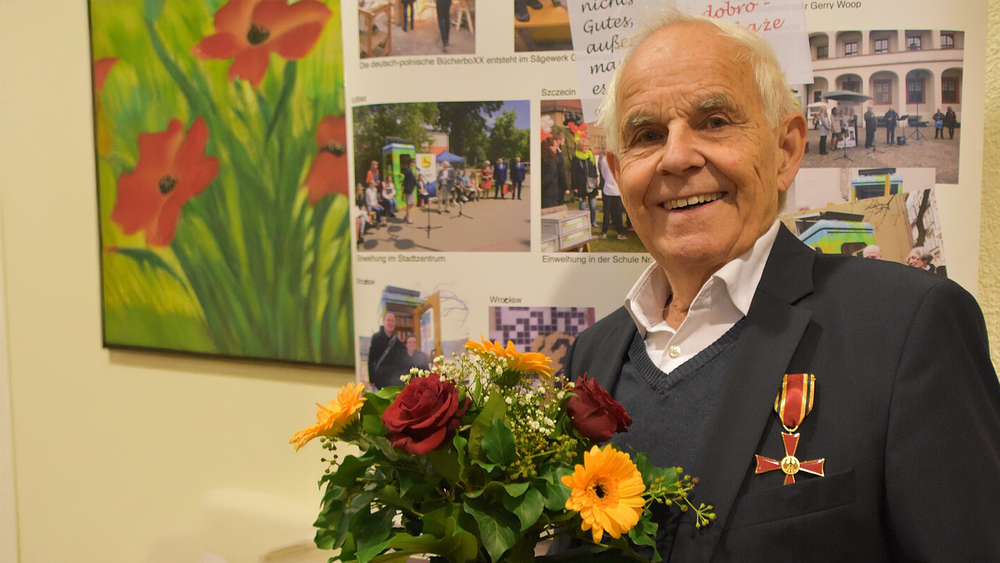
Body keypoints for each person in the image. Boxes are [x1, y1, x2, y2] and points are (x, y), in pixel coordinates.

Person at [564, 8, 1000, 560]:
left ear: (786, 150)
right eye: (647, 135)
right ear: (618, 172)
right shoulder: (592, 355)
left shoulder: (908, 328)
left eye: (715, 121)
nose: (675, 157)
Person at [368, 312, 405, 389]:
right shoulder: (376, 338)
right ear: (384, 322)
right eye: (388, 320)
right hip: (380, 380)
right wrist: (371, 379)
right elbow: (371, 360)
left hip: (394, 381)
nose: (390, 323)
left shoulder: (397, 341)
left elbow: (401, 361)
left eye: (392, 321)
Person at [571, 137, 599, 227]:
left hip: (591, 183)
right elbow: (574, 173)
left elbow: (594, 169)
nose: (585, 147)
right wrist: (574, 186)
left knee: (593, 204)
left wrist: (596, 180)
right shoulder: (576, 157)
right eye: (583, 146)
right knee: (582, 204)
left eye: (587, 145)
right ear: (580, 146)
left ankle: (593, 221)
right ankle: (582, 222)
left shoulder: (591, 155)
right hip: (581, 184)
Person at [598, 151, 627, 239]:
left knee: (607, 212)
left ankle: (604, 232)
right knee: (617, 212)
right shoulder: (619, 159)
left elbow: (603, 173)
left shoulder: (604, 159)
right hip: (615, 190)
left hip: (609, 189)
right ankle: (619, 232)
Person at [541, 137, 567, 208]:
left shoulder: (546, 158)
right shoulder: (550, 160)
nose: (556, 148)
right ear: (549, 147)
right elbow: (549, 177)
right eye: (555, 146)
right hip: (549, 193)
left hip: (550, 192)